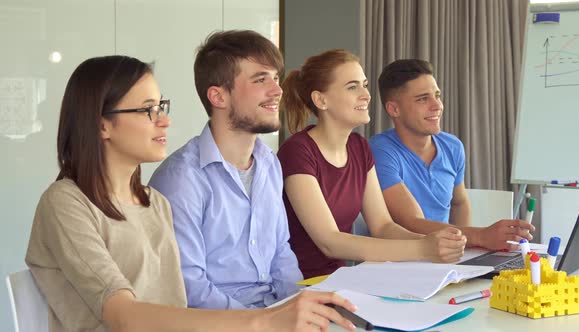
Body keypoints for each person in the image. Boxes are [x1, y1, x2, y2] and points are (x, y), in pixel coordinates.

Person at [25, 55, 357, 332]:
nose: (164, 121)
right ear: (101, 125)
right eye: (147, 110)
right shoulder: (66, 202)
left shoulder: (152, 201)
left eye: (161, 106)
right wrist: (263, 321)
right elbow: (123, 315)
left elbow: (176, 303)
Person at [277, 49, 467, 279]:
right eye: (352, 86)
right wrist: (422, 248)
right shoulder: (297, 151)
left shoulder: (359, 147)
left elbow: (383, 226)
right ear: (321, 100)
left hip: (339, 278)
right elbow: (330, 241)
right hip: (297, 284)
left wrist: (434, 243)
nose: (366, 95)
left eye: (364, 85)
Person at [149, 30, 303, 309]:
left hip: (274, 316)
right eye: (260, 79)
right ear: (218, 97)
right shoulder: (181, 178)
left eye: (276, 78)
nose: (277, 90)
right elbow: (190, 288)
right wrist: (266, 324)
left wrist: (299, 309)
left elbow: (281, 254)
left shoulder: (270, 162)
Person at [369, 59, 535, 251]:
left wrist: (465, 250)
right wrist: (480, 236)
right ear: (394, 109)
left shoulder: (452, 146)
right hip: (399, 261)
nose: (437, 105)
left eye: (437, 95)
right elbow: (411, 222)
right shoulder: (379, 150)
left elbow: (460, 202)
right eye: (423, 99)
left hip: (442, 257)